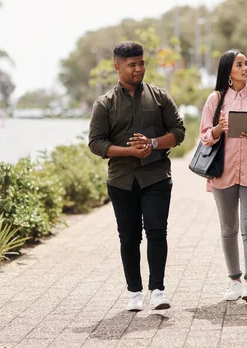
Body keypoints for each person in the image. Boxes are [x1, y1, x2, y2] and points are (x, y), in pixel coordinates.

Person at [88, 41, 185, 312]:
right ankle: (134, 292)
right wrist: (129, 151)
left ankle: (158, 290)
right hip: (121, 180)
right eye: (132, 65)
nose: (138, 69)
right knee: (129, 237)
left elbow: (178, 131)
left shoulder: (159, 97)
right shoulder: (104, 104)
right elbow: (96, 142)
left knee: (156, 232)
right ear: (117, 67)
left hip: (156, 177)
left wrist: (153, 144)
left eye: (141, 63)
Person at [199, 49, 247, 303]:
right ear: (228, 72)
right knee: (228, 227)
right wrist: (218, 129)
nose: (246, 68)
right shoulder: (215, 100)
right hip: (223, 172)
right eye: (239, 65)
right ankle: (233, 280)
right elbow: (203, 136)